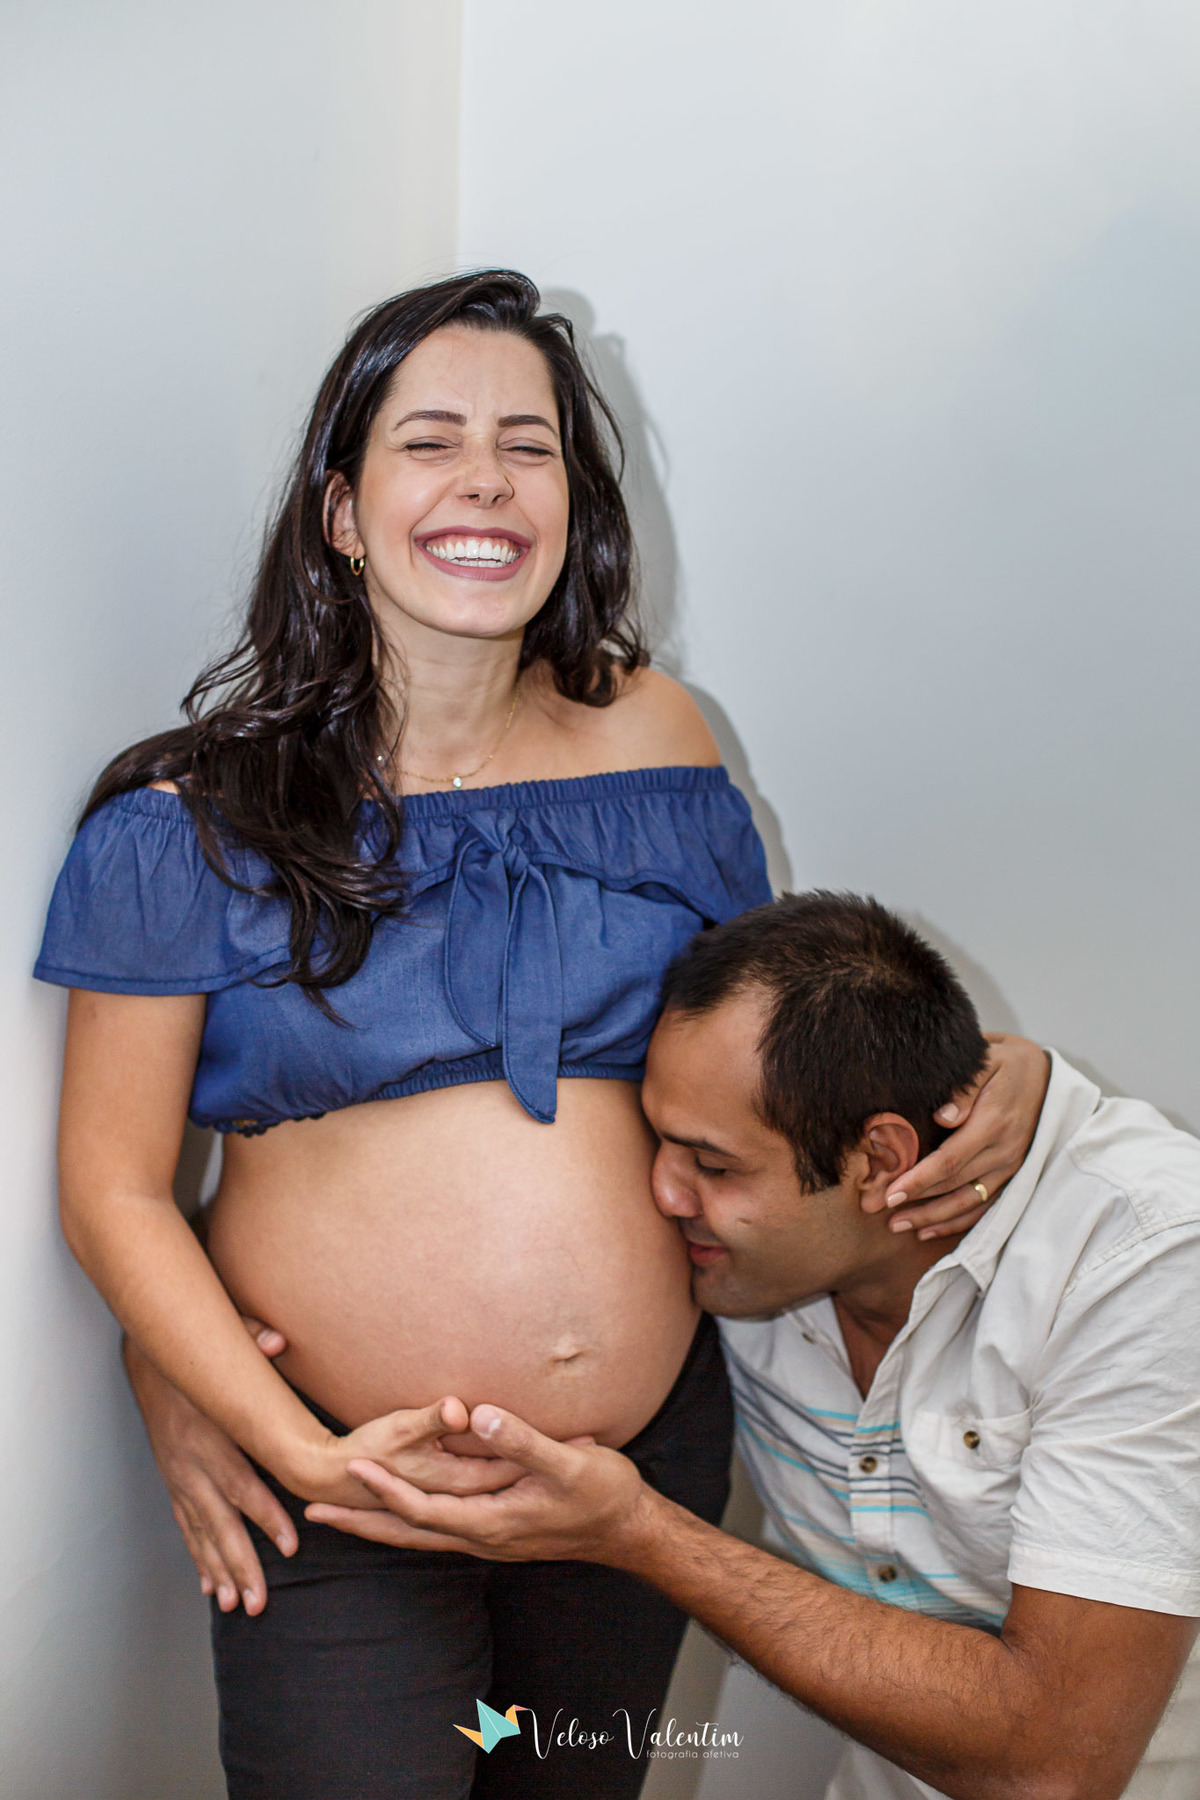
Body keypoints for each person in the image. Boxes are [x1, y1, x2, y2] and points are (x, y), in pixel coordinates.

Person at [34, 272, 1048, 1800]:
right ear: (342, 514)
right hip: (348, 1485)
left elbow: (775, 1054)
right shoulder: (186, 826)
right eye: (430, 441)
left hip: (629, 1484)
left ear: (576, 502)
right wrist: (280, 1443)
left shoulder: (661, 738)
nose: (488, 483)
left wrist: (996, 1076)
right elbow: (111, 1191)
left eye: (532, 445)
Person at [317, 892, 1200, 1800]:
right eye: (657, 1141)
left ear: (882, 1162)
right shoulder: (749, 1253)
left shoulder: (1146, 1260)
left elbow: (1054, 1767)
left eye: (714, 1164)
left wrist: (639, 1533)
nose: (662, 1193)